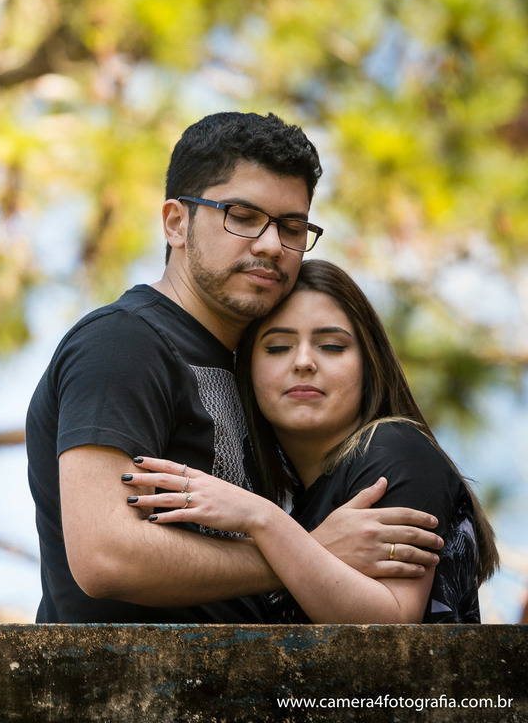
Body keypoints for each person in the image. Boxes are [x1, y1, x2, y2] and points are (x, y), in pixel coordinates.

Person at [26, 111, 444, 624]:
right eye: (242, 216)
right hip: (123, 694)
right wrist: (304, 551)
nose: (271, 244)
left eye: (291, 226)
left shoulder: (261, 372)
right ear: (176, 223)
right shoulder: (124, 343)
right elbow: (105, 557)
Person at [122, 260, 498, 622]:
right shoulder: (299, 506)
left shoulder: (393, 448)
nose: (303, 361)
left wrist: (260, 518)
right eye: (278, 347)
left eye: (332, 346)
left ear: (370, 365)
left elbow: (392, 621)